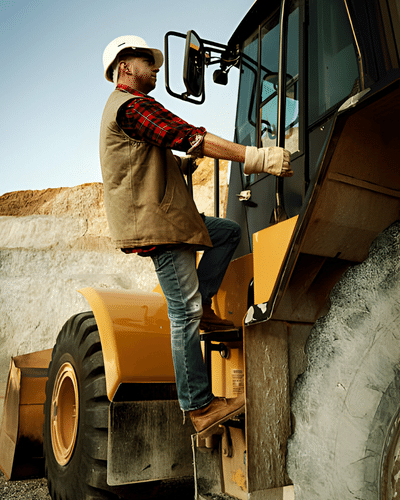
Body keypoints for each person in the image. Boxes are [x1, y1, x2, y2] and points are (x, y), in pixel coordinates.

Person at [100, 36, 292, 437]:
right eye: (147, 61)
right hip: (159, 225)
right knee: (182, 313)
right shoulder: (131, 106)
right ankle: (200, 407)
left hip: (170, 218)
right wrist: (256, 157)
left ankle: (204, 304)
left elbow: (146, 159)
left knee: (226, 232)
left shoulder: (127, 110)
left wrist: (181, 165)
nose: (155, 67)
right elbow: (188, 134)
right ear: (125, 67)